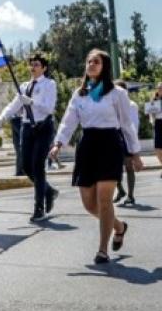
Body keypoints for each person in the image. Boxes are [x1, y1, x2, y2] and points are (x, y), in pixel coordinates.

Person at [49, 49, 144, 264]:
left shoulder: (117, 94)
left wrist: (135, 153)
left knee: (104, 200)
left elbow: (127, 124)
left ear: (105, 66)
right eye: (89, 61)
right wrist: (58, 144)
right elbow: (68, 121)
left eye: (96, 62)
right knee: (89, 205)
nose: (91, 64)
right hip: (87, 146)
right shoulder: (80, 94)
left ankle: (102, 250)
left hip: (110, 145)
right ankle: (119, 226)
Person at [0, 53, 59, 223]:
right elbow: (14, 105)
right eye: (31, 64)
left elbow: (49, 108)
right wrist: (2, 117)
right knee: (26, 166)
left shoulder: (49, 84)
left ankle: (39, 208)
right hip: (27, 127)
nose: (33, 67)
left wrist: (31, 102)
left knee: (38, 166)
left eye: (36, 64)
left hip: (43, 127)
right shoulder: (24, 86)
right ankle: (48, 191)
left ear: (44, 68)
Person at [114, 80, 139, 206]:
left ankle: (130, 195)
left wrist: (133, 142)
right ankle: (120, 190)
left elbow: (133, 123)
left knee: (129, 166)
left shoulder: (131, 105)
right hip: (115, 136)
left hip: (126, 137)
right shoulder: (113, 105)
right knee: (113, 166)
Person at [145, 82, 162, 177]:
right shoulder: (154, 99)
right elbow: (150, 111)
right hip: (158, 123)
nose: (160, 89)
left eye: (161, 88)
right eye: (159, 88)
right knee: (157, 148)